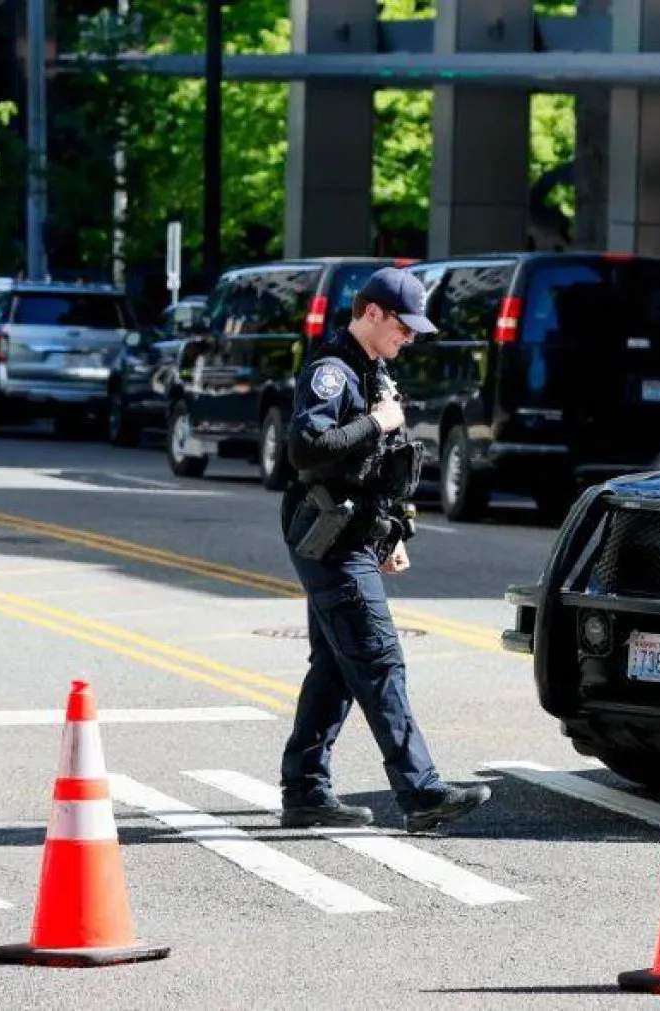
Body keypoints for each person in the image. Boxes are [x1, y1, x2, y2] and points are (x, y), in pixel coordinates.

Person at [277, 267, 491, 834]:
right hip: (329, 537)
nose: (410, 337)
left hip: (355, 535)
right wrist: (377, 421)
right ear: (371, 313)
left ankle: (305, 790)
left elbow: (385, 469)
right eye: (403, 326)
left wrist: (393, 533)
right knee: (378, 662)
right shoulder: (333, 371)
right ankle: (421, 794)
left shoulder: (372, 371)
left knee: (338, 665)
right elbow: (307, 448)